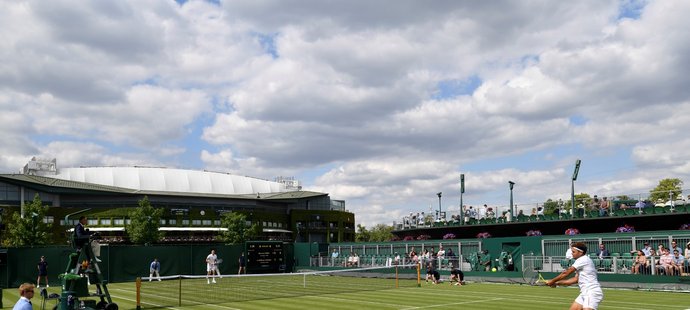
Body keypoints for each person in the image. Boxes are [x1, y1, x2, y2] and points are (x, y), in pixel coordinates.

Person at [546, 242, 603, 310]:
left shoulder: (583, 259)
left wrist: (552, 281)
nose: (572, 253)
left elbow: (566, 273)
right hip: (584, 293)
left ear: (580, 252)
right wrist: (556, 283)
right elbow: (575, 280)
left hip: (591, 292)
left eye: (573, 252)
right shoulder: (581, 261)